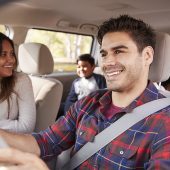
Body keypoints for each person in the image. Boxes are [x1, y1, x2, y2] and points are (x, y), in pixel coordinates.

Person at [0, 15, 170, 169]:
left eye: (118, 51)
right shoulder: (89, 103)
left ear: (147, 55)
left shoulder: (164, 123)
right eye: (104, 54)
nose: (108, 62)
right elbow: (45, 142)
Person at [0, 32, 36, 133]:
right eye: (3, 54)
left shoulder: (20, 80)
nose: (11, 60)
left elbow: (26, 127)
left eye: (12, 54)